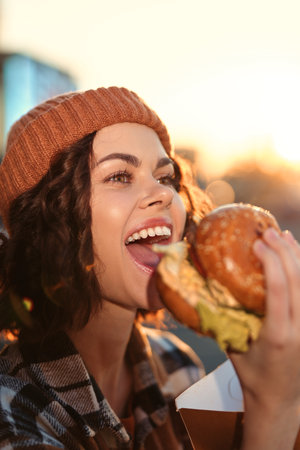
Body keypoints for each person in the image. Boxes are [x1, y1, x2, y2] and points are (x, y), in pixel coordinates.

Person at [0, 86, 299, 450]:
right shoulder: (11, 407)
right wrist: (275, 410)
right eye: (119, 176)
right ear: (49, 219)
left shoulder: (178, 366)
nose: (164, 195)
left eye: (166, 177)